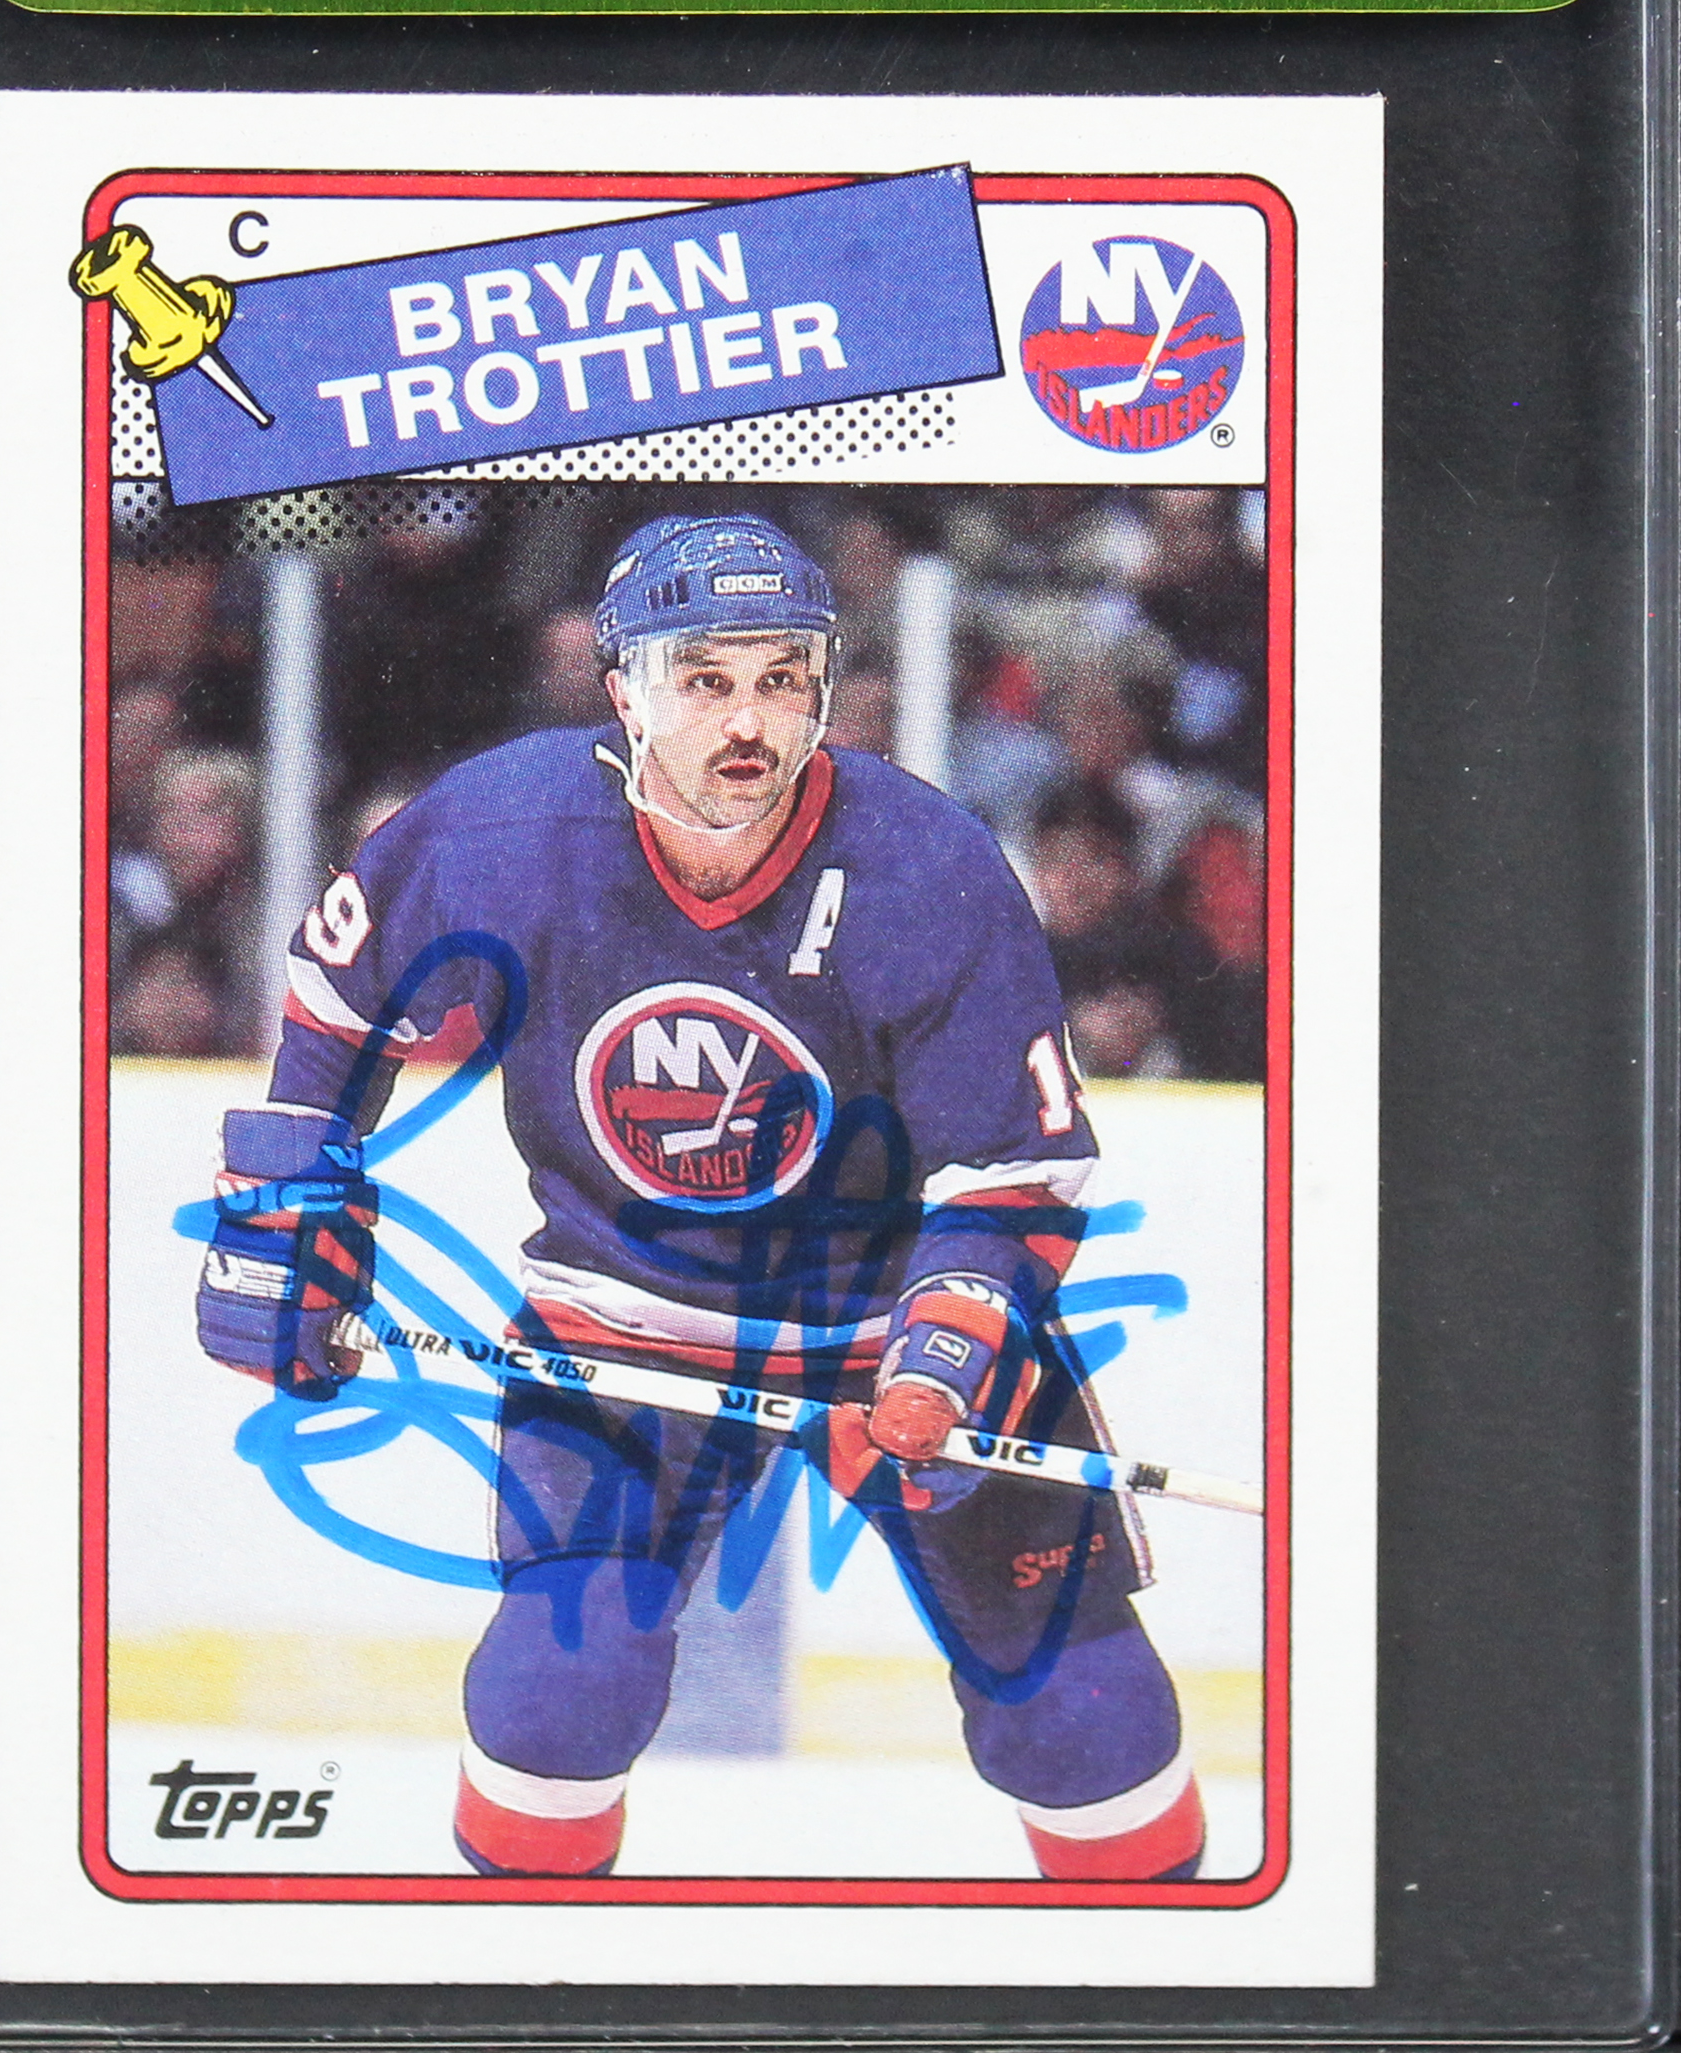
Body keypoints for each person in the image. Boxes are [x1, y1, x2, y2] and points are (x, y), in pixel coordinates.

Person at [193, 513, 1204, 1884]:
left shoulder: (927, 867)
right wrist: (284, 1209)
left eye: (782, 679)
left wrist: (948, 1349)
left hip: (888, 1322)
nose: (747, 721)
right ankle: (515, 1984)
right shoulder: (506, 827)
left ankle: (1168, 1974)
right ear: (623, 688)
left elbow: (1013, 1167)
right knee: (560, 1687)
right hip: (621, 1318)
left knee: (1084, 1716)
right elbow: (336, 995)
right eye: (705, 678)